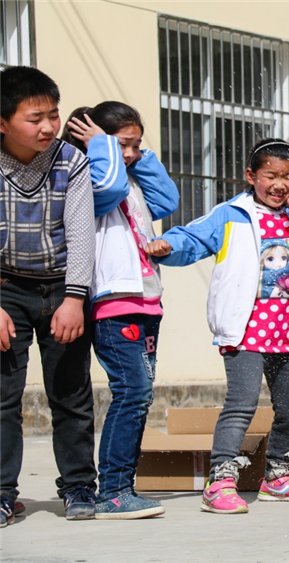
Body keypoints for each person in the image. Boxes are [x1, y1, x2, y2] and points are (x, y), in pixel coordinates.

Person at [147, 138, 289, 514]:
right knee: (241, 405)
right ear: (251, 176)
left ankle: (277, 477)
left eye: (288, 177)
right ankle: (220, 481)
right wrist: (167, 246)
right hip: (244, 330)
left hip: (286, 333)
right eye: (271, 175)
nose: (279, 184)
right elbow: (192, 236)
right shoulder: (231, 213)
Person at [61, 101, 179, 519]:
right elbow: (108, 189)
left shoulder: (130, 176)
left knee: (139, 394)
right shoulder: (89, 179)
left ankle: (118, 487)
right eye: (124, 146)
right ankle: (113, 490)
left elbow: (167, 198)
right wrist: (102, 147)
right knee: (132, 392)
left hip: (146, 299)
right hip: (113, 302)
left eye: (136, 145)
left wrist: (137, 154)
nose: (130, 154)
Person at [0, 66, 97, 526]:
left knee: (71, 395)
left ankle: (79, 487)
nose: (47, 127)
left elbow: (81, 234)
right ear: (2, 122)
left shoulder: (70, 161)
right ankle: (2, 492)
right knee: (3, 398)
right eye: (34, 117)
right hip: (5, 290)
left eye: (53, 115)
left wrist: (75, 299)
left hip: (62, 288)